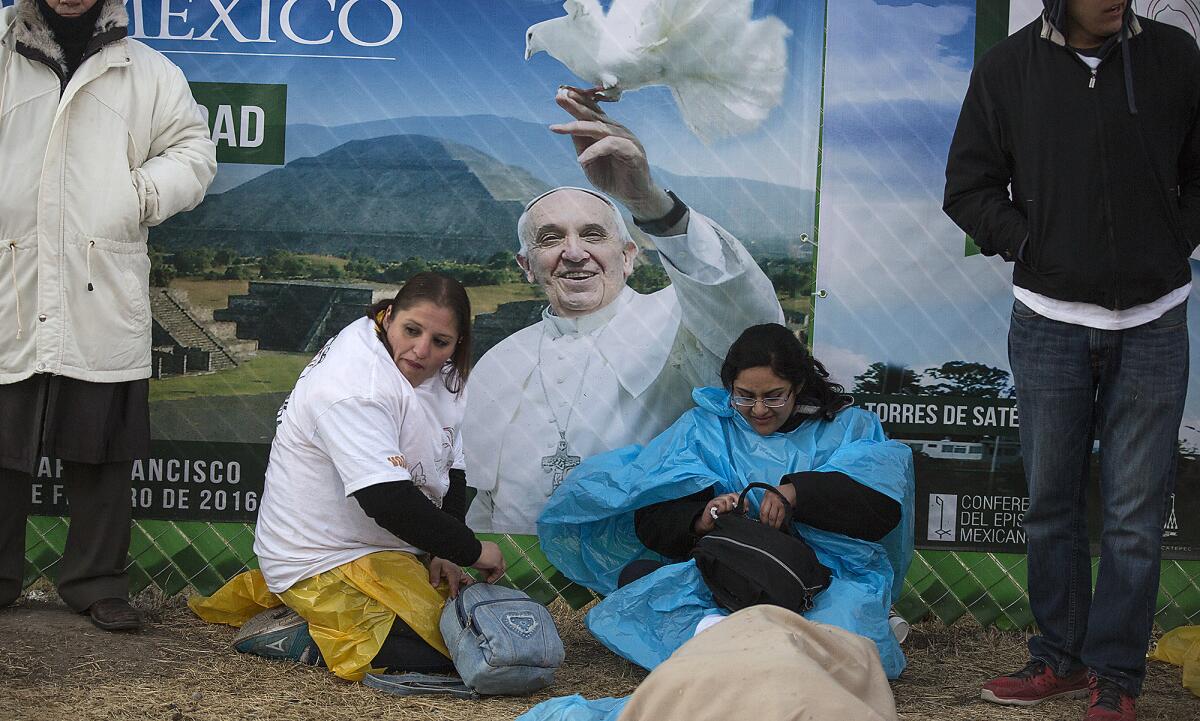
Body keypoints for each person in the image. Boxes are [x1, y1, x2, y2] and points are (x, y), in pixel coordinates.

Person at [943, 1, 1199, 718]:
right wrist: (1034, 245)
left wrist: (1170, 239)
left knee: (1133, 515)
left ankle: (1115, 676)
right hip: (1050, 323)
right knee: (1052, 504)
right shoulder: (1006, 70)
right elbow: (967, 188)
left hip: (1154, 319)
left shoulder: (1176, 57)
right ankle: (1057, 656)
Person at [465, 89, 784, 534]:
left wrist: (647, 201)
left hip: (646, 569)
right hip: (520, 575)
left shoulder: (677, 321)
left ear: (630, 256)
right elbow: (484, 497)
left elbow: (754, 321)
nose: (574, 253)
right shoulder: (499, 362)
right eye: (551, 239)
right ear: (526, 266)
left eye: (594, 235)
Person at [0, 0, 217, 630]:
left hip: (100, 281)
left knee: (101, 446)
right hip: (13, 276)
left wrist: (139, 194)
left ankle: (96, 581)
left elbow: (193, 152)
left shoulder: (147, 71)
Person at [537, 323, 915, 679]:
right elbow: (652, 517)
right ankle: (747, 643)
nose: (760, 410)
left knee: (846, 645)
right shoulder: (705, 428)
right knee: (647, 598)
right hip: (726, 573)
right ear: (728, 387)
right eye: (745, 396)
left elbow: (880, 510)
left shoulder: (849, 427)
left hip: (823, 578)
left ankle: (731, 644)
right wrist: (703, 517)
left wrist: (795, 493)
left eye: (773, 396)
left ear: (798, 384)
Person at [191, 273, 507, 682]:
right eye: (411, 330)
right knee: (461, 653)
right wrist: (472, 550)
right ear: (389, 315)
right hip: (320, 556)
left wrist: (445, 550)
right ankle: (299, 634)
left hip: (388, 549)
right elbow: (385, 500)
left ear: (457, 343)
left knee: (490, 634)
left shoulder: (443, 373)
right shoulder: (356, 384)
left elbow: (453, 462)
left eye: (440, 341)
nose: (422, 350)